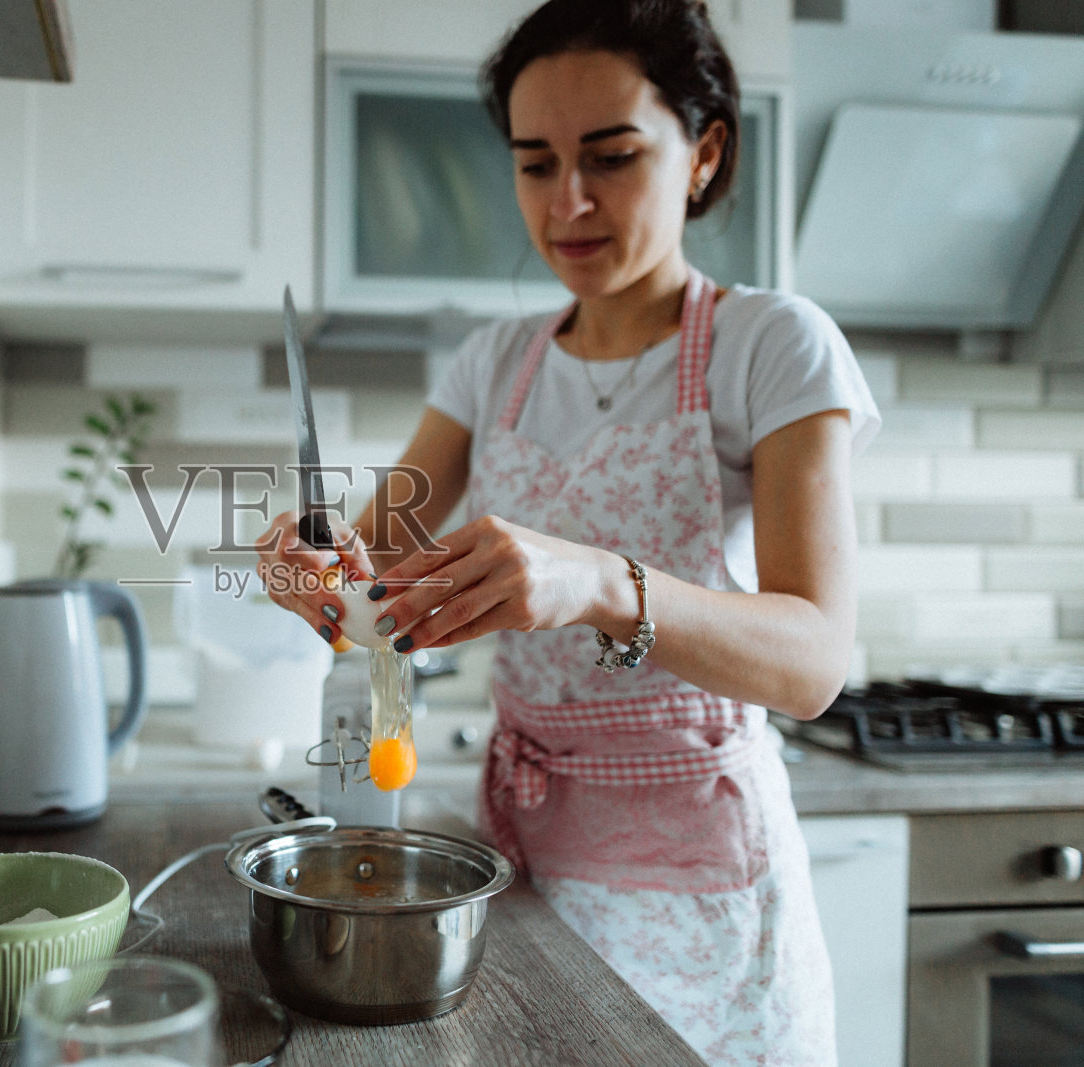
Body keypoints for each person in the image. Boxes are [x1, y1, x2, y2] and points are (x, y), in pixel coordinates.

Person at [254, 2, 880, 1063]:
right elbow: (369, 594)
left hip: (706, 898)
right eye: (534, 163)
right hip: (523, 869)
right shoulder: (493, 363)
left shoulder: (771, 345)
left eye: (611, 156)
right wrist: (316, 575)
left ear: (704, 152)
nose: (568, 202)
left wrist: (598, 579)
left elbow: (814, 661)